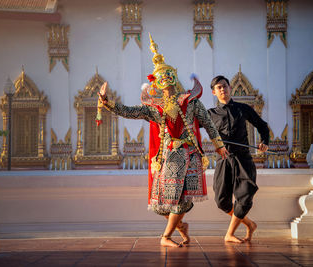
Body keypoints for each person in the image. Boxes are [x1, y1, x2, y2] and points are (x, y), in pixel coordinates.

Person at [97, 35, 228, 247]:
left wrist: (220, 146)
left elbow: (209, 125)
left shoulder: (191, 101)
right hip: (169, 156)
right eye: (161, 77)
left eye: (169, 75)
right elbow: (130, 111)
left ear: (174, 77)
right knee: (163, 204)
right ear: (156, 82)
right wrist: (108, 103)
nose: (166, 80)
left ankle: (167, 236)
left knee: (183, 200)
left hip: (190, 153)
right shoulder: (155, 107)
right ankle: (178, 228)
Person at [208, 75, 269, 243]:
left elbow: (262, 126)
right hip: (223, 159)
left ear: (230, 88)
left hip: (243, 158)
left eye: (225, 86)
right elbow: (189, 126)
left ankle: (229, 233)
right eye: (218, 87)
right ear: (214, 92)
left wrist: (265, 142)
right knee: (221, 201)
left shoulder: (243, 109)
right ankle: (250, 224)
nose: (222, 89)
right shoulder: (210, 114)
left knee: (244, 195)